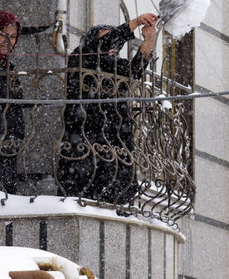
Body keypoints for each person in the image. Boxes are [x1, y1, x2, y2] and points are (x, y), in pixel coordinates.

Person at [57, 13, 158, 205]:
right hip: (85, 138)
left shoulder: (115, 66)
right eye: (106, 39)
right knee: (86, 186)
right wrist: (134, 23)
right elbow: (101, 46)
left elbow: (136, 69)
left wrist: (149, 40)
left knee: (118, 186)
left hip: (115, 137)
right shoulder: (80, 57)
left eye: (116, 44)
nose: (113, 46)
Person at [0, 11, 25, 194]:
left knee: (6, 189)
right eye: (3, 34)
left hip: (9, 142)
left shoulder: (9, 67)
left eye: (12, 36)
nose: (7, 41)